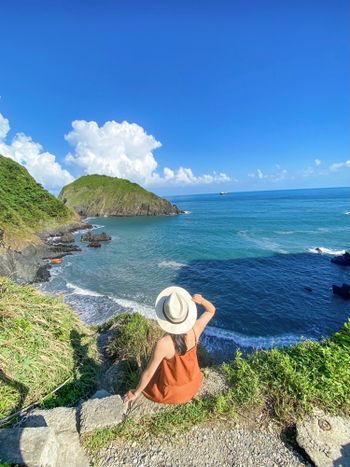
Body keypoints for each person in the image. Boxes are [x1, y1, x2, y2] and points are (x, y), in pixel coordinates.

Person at [123, 286, 216, 405]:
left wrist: (136, 393)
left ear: (165, 316)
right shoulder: (195, 330)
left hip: (172, 393)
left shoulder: (163, 344)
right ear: (186, 314)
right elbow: (211, 310)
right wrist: (201, 300)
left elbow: (148, 373)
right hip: (193, 384)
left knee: (154, 376)